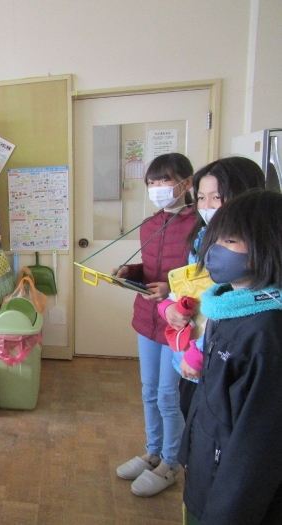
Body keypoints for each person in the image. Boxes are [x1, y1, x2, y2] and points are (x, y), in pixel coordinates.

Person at [179, 190, 282, 525]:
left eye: (230, 240)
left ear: (267, 246)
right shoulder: (226, 305)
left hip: (230, 499)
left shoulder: (266, 332)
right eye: (215, 238)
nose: (213, 250)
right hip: (205, 472)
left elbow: (257, 447)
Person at [114, 153, 197, 497]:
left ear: (186, 183)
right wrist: (129, 272)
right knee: (149, 391)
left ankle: (171, 463)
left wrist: (171, 291)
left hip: (178, 324)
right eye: (151, 182)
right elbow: (151, 269)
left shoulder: (200, 226)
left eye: (164, 180)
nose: (157, 187)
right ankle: (153, 452)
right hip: (147, 319)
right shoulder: (150, 224)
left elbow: (203, 278)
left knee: (167, 396)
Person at [157, 157, 266, 417]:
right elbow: (190, 288)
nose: (207, 207)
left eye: (216, 198)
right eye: (201, 198)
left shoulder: (250, 251)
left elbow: (233, 307)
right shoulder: (202, 237)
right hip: (190, 360)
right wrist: (169, 307)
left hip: (220, 362)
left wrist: (197, 353)